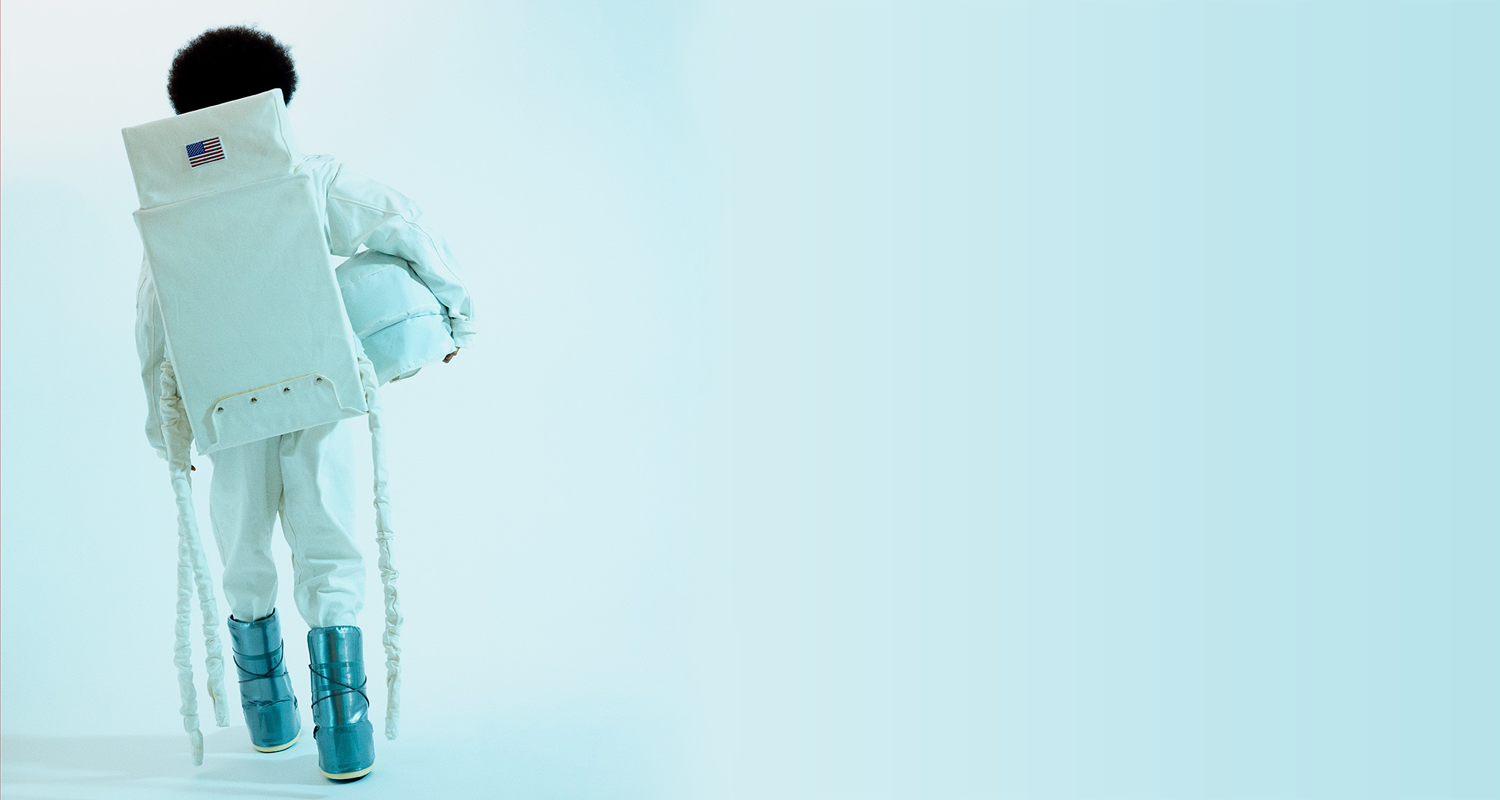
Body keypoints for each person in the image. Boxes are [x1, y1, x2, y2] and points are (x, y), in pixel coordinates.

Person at [133, 25, 475, 781]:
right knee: (329, 545)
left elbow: (153, 328)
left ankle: (269, 719)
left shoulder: (169, 214)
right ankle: (344, 735)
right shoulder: (311, 178)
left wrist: (167, 435)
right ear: (275, 105)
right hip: (316, 390)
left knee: (243, 550)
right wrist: (457, 311)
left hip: (227, 410)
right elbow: (400, 221)